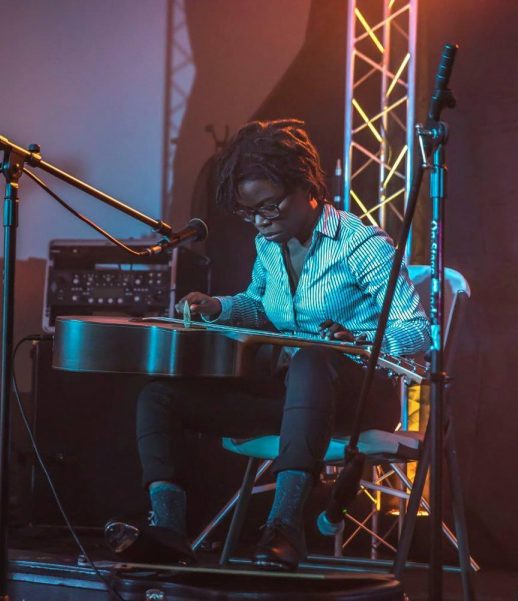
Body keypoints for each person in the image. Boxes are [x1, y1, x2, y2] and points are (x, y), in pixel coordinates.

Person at [130, 119, 429, 570]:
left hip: (362, 396)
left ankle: (285, 527)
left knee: (312, 359)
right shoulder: (269, 246)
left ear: (308, 186)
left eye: (270, 206)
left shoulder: (361, 244)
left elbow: (417, 330)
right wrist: (219, 307)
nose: (261, 220)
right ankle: (170, 530)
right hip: (297, 399)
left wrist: (361, 338)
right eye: (250, 213)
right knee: (159, 397)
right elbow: (261, 306)